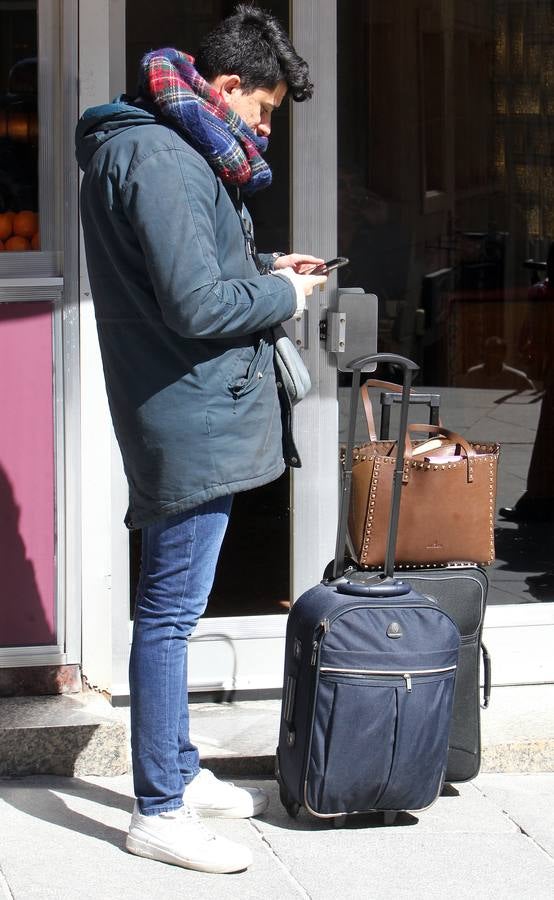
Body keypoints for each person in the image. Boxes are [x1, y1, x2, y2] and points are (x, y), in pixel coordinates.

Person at [75, 5, 326, 875]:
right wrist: (285, 301)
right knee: (170, 615)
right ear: (224, 89)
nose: (263, 130)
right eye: (261, 111)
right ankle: (159, 808)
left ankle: (178, 766)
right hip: (187, 413)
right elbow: (195, 308)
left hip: (182, 405)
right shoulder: (165, 160)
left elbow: (189, 279)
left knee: (171, 608)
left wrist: (264, 270)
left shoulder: (154, 147)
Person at [500, 245, 554, 523]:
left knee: (548, 438)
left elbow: (533, 332)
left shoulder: (543, 294)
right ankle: (538, 497)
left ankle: (538, 498)